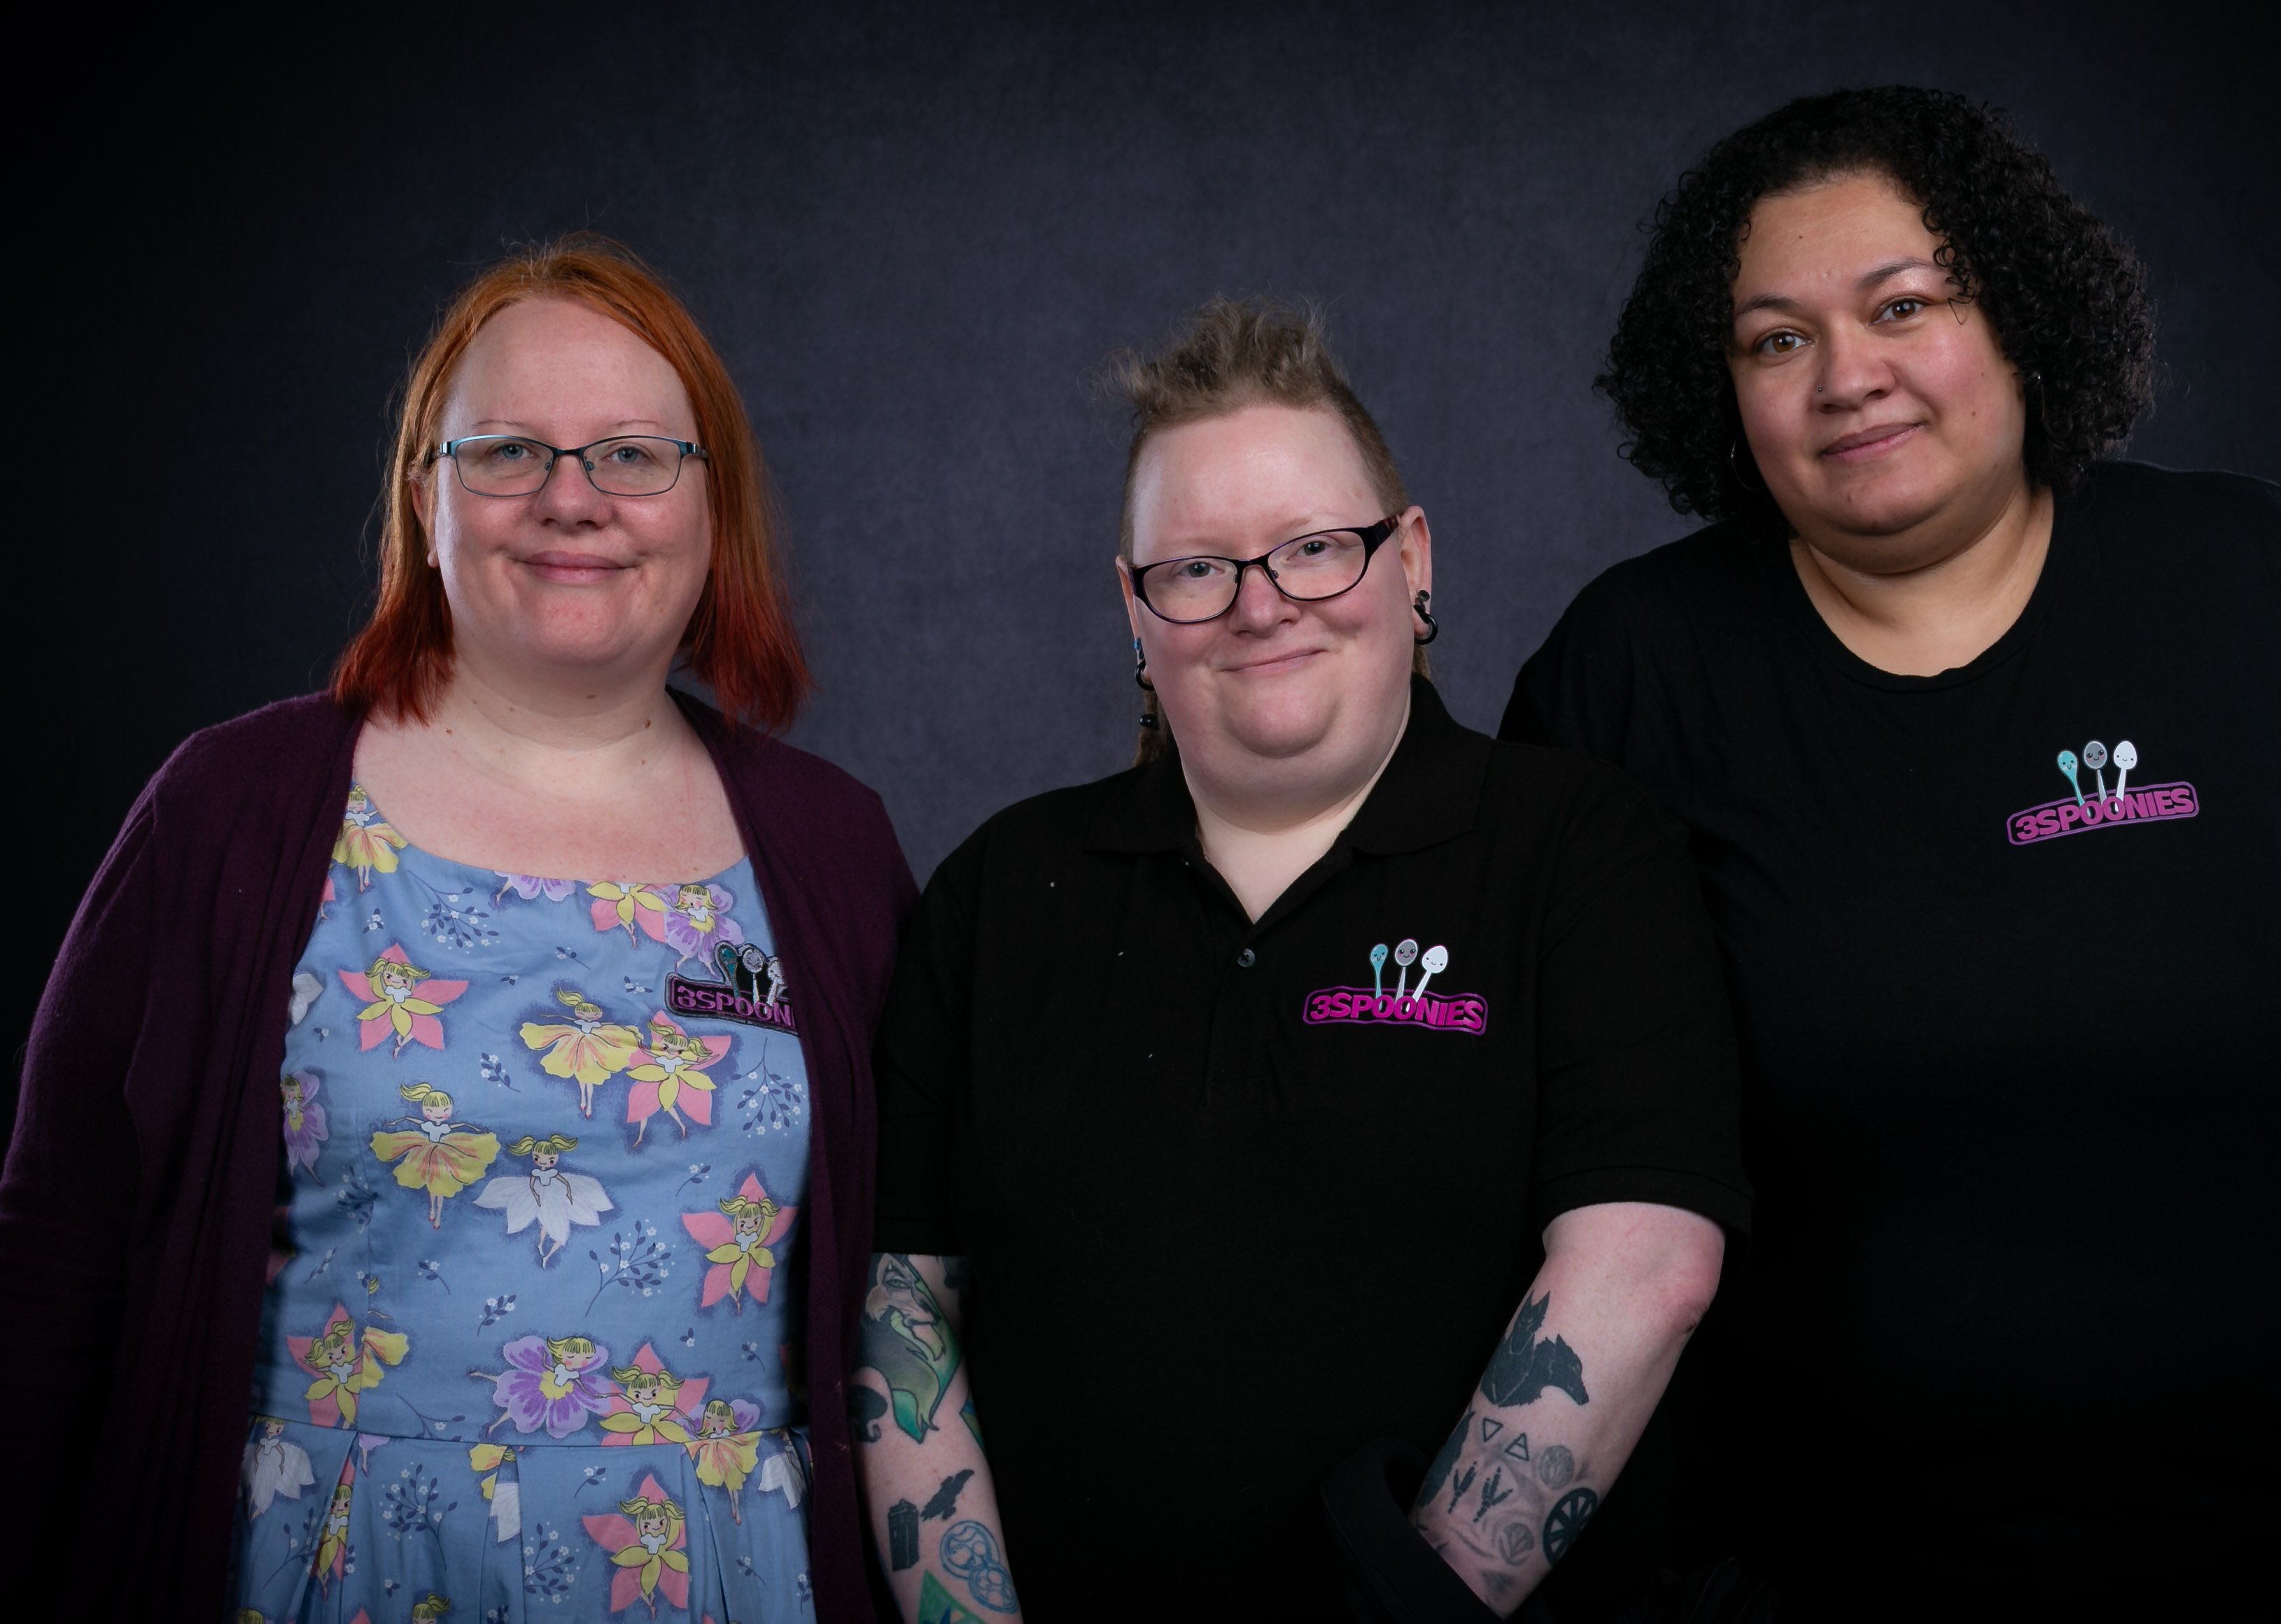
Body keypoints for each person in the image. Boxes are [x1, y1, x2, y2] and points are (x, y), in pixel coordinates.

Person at [1502, 86, 2281, 1616]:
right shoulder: (1641, 667)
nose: (1846, 376)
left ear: (2019, 314)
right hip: (1826, 1572)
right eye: (1776, 338)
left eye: (1904, 304)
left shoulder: (2266, 580)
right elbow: (1521, 1106)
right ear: (1716, 388)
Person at [0, 237, 915, 1619]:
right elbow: (50, 1259)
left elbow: (915, 1285)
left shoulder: (836, 848)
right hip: (322, 1575)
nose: (569, 498)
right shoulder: (229, 811)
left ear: (710, 502)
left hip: (734, 1581)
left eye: (631, 454)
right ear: (426, 497)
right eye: (505, 453)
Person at [856, 300, 1750, 1622]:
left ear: (1413, 561)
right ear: (1133, 608)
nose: (1262, 607)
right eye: (1197, 568)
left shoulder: (1577, 848)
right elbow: (902, 1315)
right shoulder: (1003, 889)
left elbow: (1644, 1267)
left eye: (1316, 549)